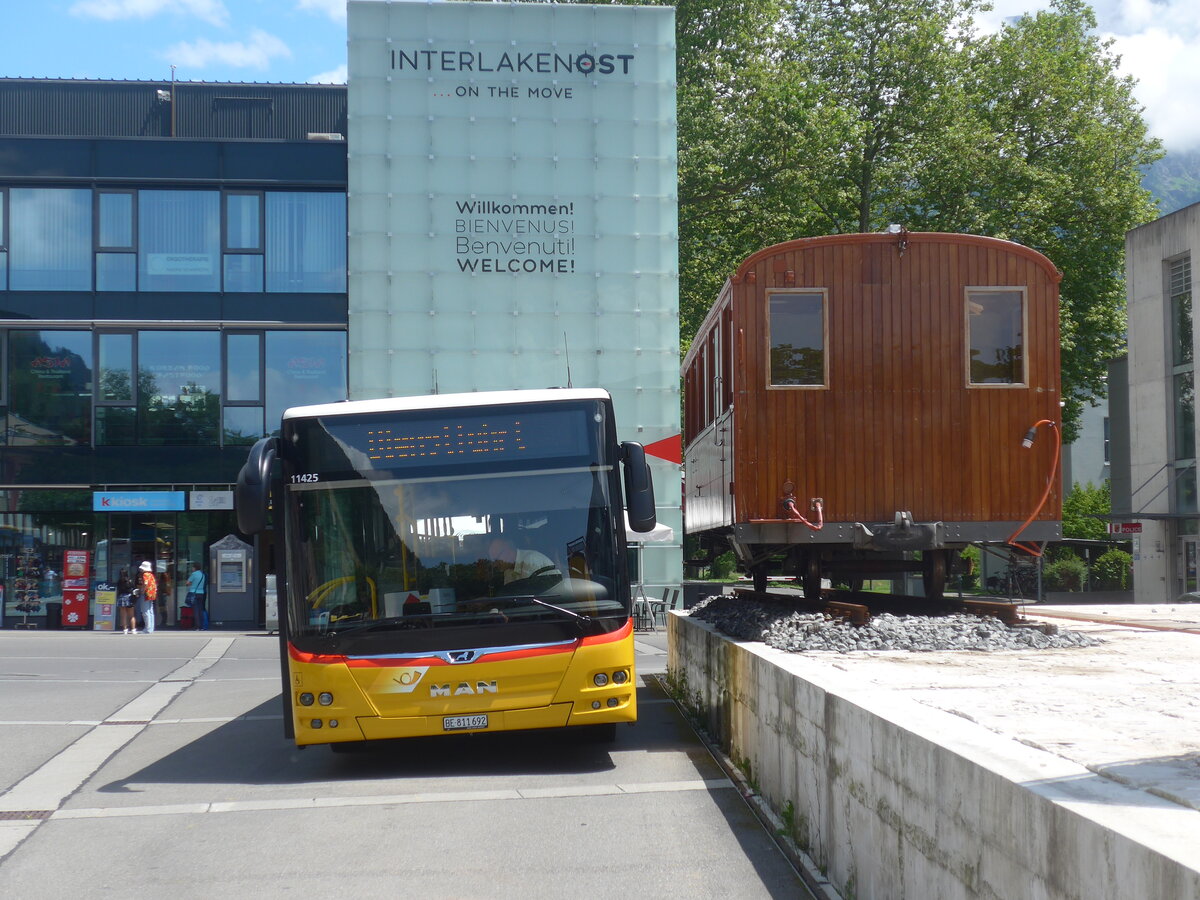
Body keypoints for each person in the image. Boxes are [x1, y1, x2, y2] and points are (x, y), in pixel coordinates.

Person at [488, 535, 559, 586]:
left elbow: (528, 596)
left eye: (496, 559)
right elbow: (511, 596)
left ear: (507, 550)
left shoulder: (530, 561)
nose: (495, 565)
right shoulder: (508, 571)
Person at [136, 560, 158, 634]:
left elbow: (145, 583)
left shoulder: (145, 575)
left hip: (145, 594)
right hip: (151, 594)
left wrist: (142, 590)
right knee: (150, 611)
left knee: (145, 611)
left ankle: (147, 628)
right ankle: (151, 628)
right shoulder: (151, 575)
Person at [186, 562, 208, 630]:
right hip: (201, 593)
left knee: (195, 610)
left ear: (195, 568)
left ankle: (197, 626)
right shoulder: (202, 575)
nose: (192, 568)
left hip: (194, 593)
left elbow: (187, 583)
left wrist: (191, 583)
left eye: (192, 567)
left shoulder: (194, 574)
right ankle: (202, 626)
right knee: (200, 610)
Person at [116, 567, 136, 634]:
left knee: (123, 615)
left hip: (121, 597)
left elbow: (118, 590)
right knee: (131, 615)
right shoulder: (130, 581)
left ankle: (125, 630)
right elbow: (134, 588)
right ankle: (133, 629)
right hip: (129, 597)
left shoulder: (119, 581)